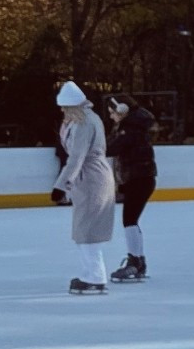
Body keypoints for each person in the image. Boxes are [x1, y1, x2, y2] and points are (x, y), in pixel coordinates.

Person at [53, 81, 117, 294]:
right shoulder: (82, 120)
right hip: (87, 179)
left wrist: (61, 185)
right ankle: (91, 274)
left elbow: (77, 157)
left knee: (88, 230)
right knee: (84, 229)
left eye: (64, 107)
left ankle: (95, 277)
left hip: (92, 180)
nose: (62, 111)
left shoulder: (85, 122)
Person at [106, 96, 158, 280]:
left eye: (112, 112)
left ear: (122, 109)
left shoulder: (130, 129)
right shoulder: (132, 126)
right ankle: (137, 261)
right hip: (139, 178)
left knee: (130, 220)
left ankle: (136, 262)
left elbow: (111, 148)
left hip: (140, 178)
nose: (111, 117)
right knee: (130, 220)